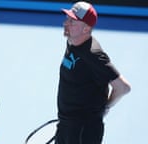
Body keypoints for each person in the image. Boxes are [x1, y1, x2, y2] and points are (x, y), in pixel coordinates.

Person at [55, 1, 131, 144]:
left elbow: (123, 87)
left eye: (73, 21)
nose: (66, 23)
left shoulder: (93, 55)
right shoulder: (72, 41)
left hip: (83, 131)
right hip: (66, 125)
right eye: (68, 18)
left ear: (86, 29)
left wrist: (105, 107)